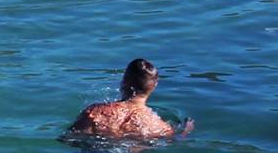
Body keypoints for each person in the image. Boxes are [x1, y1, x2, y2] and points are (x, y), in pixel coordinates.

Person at [65, 59, 194, 141]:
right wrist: (186, 130)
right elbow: (174, 140)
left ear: (123, 82)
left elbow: (69, 139)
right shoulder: (157, 125)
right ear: (154, 85)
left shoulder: (95, 112)